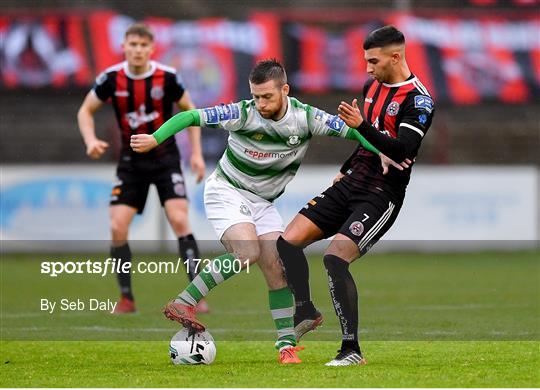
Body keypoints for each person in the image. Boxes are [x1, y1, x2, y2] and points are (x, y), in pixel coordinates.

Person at [130, 59, 404, 364]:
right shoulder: (242, 113)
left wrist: (381, 150)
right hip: (227, 190)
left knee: (276, 268)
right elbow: (191, 116)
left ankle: (286, 347)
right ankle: (185, 302)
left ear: (285, 90)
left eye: (267, 97)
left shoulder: (306, 117)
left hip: (263, 202)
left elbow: (353, 132)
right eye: (256, 96)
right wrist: (155, 138)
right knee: (247, 253)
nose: (260, 103)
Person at [276, 25, 435, 366]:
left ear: (396, 56)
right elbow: (370, 141)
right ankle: (305, 309)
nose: (367, 68)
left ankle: (351, 350)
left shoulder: (418, 100)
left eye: (373, 61)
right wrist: (348, 165)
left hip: (382, 191)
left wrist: (361, 126)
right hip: (354, 178)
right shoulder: (371, 86)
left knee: (335, 259)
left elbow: (403, 148)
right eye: (365, 60)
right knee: (287, 241)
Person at [77, 23, 208, 314]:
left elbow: (192, 113)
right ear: (124, 47)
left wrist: (196, 154)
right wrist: (90, 139)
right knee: (117, 226)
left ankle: (197, 295)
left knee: (179, 220)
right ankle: (127, 298)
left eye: (142, 45)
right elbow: (85, 110)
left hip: (165, 161)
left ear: (151, 49)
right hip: (130, 165)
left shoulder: (168, 77)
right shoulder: (111, 79)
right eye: (132, 45)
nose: (137, 50)